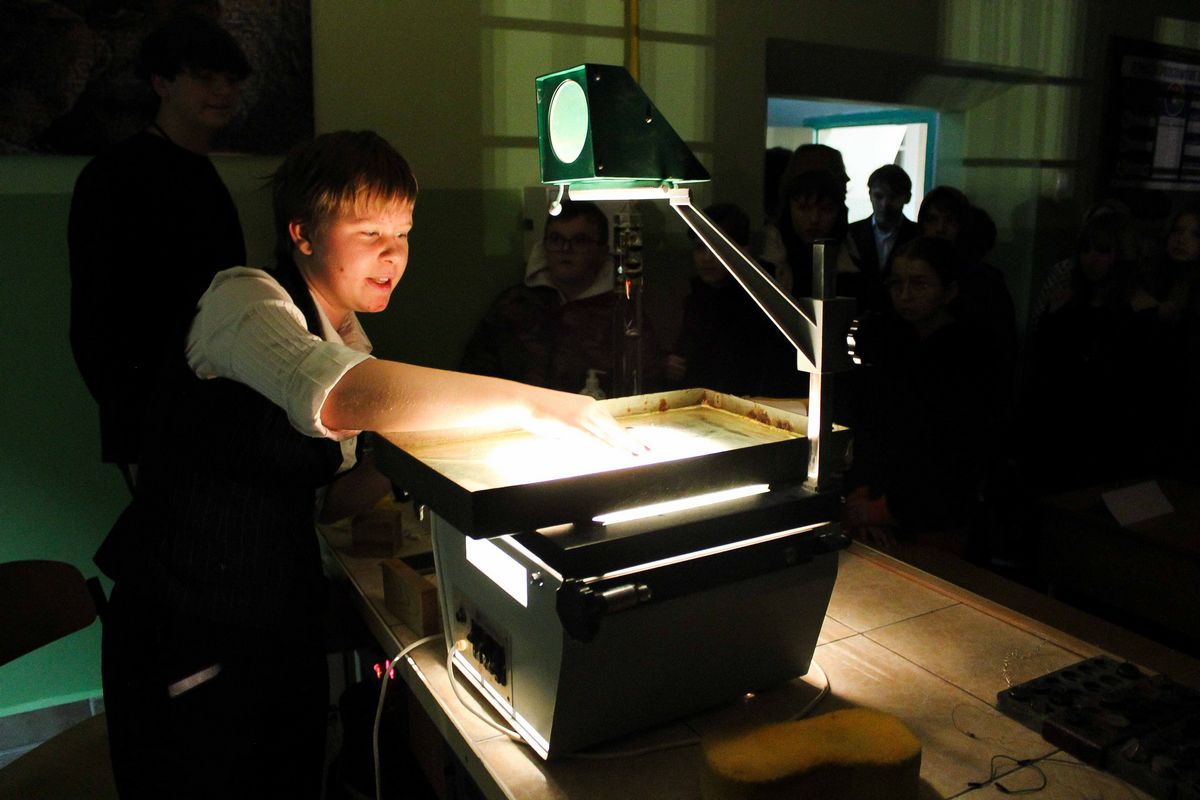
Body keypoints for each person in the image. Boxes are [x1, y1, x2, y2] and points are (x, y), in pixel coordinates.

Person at [95, 131, 637, 799]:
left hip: (275, 617)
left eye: (402, 233)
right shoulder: (243, 299)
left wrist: (442, 459)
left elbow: (332, 497)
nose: (392, 254)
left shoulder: (347, 334)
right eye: (368, 232)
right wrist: (538, 406)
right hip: (191, 623)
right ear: (302, 232)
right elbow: (345, 395)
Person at [68, 12, 251, 492]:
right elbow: (95, 319)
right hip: (152, 413)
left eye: (231, 80)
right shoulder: (115, 176)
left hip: (212, 405)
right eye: (205, 78)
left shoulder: (202, 175)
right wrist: (133, 428)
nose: (223, 91)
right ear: (161, 83)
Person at [842, 237, 1007, 561]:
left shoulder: (970, 356)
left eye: (919, 284)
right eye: (897, 283)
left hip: (935, 519)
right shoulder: (889, 344)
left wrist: (887, 509)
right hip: (877, 503)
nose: (905, 295)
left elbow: (953, 452)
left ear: (950, 290)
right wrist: (861, 496)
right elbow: (871, 427)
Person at [460, 199, 662, 397]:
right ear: (544, 246)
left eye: (579, 241)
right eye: (556, 239)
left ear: (602, 251)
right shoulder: (514, 306)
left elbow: (647, 383)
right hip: (516, 414)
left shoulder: (622, 312)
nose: (566, 249)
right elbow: (474, 376)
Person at [1023, 207, 1160, 490]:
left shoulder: (1140, 314)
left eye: (1103, 250)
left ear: (1122, 256)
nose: (1091, 258)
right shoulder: (1064, 306)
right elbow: (1041, 372)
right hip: (1057, 432)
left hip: (1106, 439)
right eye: (1086, 249)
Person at [665, 203, 778, 395]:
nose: (706, 258)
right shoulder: (698, 298)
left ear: (743, 250)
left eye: (716, 248)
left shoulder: (760, 302)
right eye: (700, 247)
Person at [846, 164, 920, 315]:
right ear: (870, 195)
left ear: (907, 198)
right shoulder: (850, 233)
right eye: (879, 196)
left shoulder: (918, 235)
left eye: (893, 197)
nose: (885, 204)